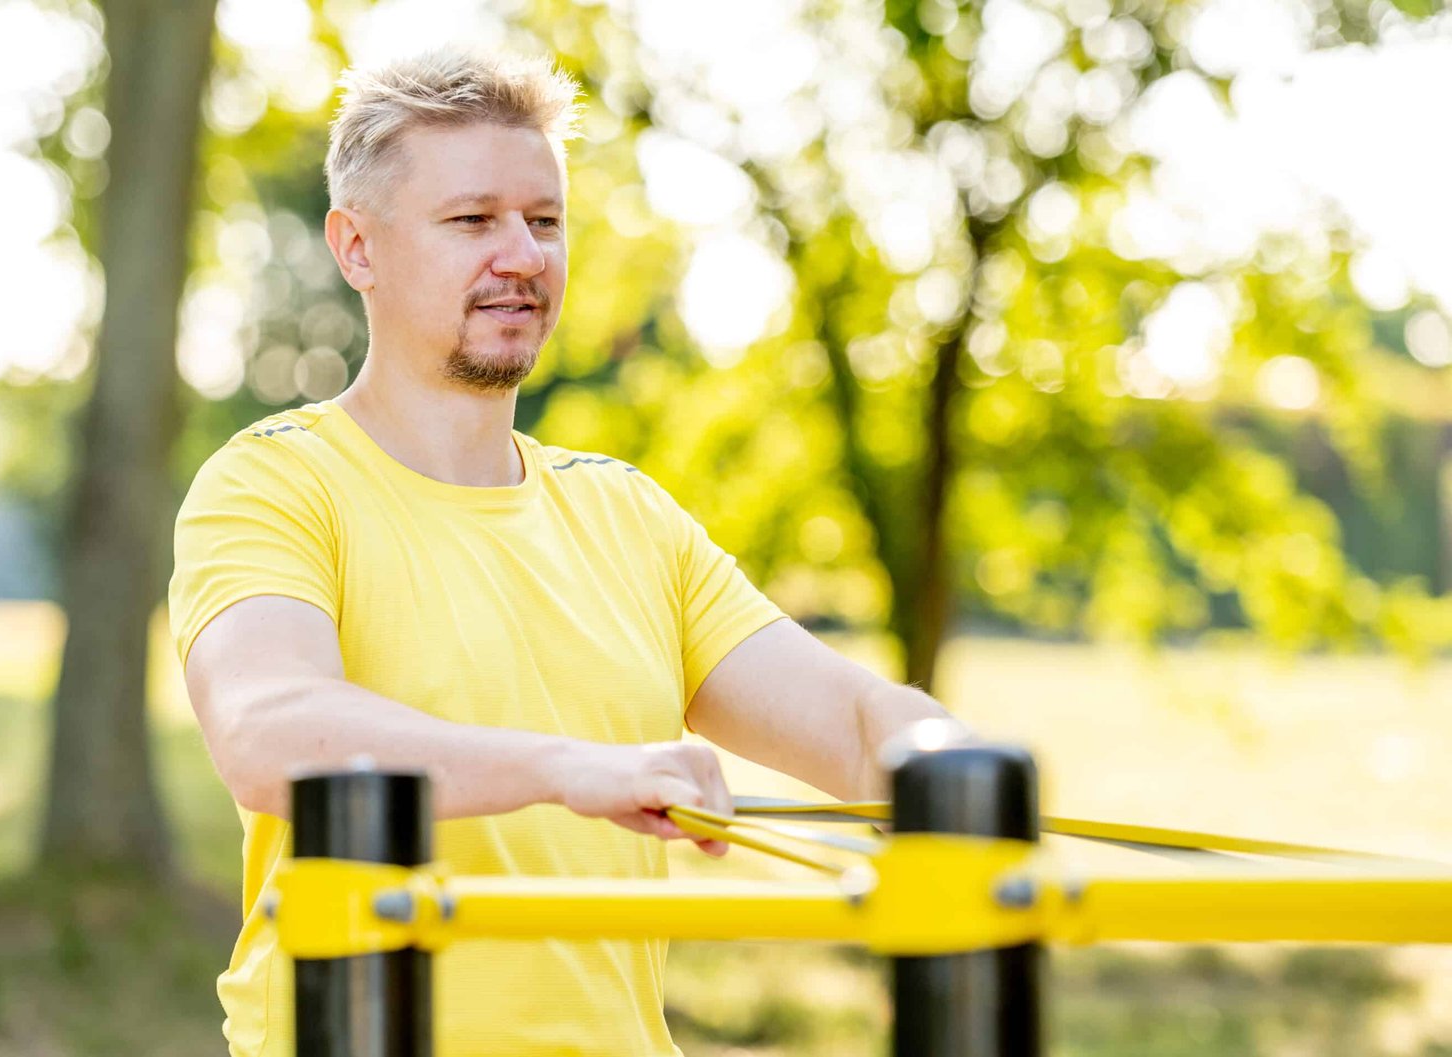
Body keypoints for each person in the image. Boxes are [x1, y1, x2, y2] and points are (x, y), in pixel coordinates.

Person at [169, 48, 955, 1057]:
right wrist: (567, 769)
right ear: (356, 247)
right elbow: (272, 730)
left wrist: (945, 759)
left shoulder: (626, 515)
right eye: (472, 220)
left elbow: (851, 724)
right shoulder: (273, 483)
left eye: (543, 221)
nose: (523, 255)